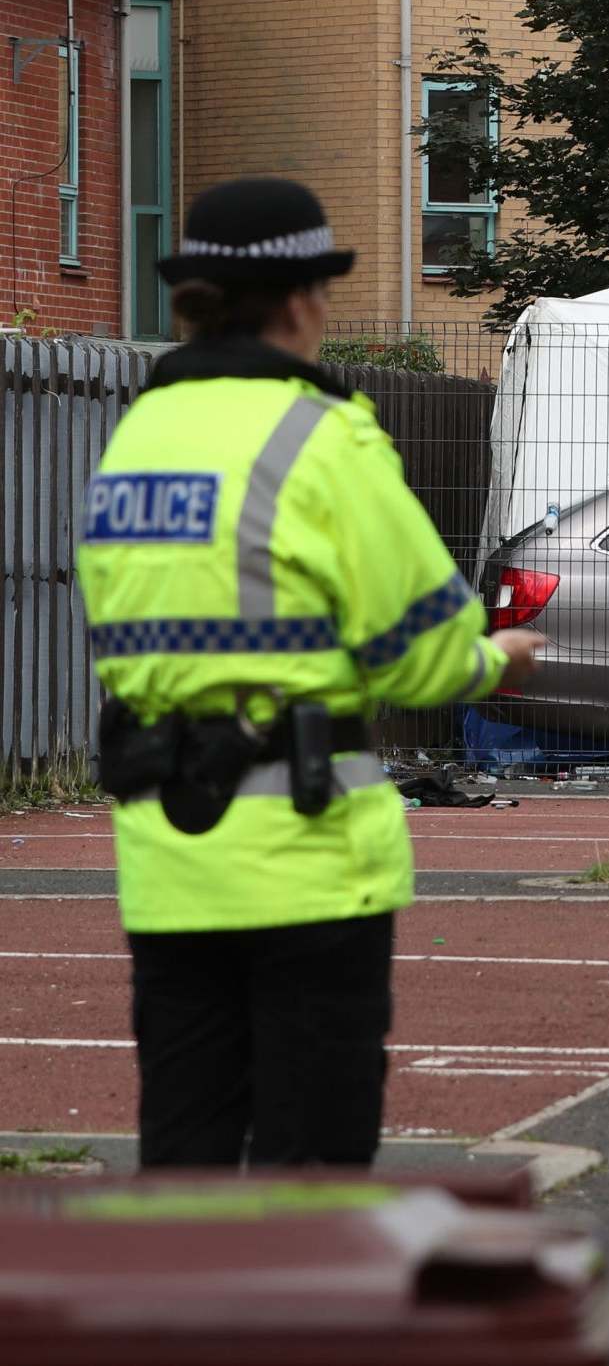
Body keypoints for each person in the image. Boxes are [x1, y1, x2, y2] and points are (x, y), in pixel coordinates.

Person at [76, 176, 546, 1169]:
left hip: (167, 853)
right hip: (308, 856)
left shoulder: (133, 441)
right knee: (313, 1164)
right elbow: (417, 648)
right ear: (298, 300)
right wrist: (487, 659)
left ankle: (186, 1324)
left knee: (186, 1146)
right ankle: (296, 1326)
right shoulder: (323, 438)